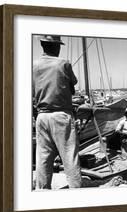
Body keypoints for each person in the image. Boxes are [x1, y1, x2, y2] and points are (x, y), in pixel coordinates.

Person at [33, 35, 82, 189]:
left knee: (43, 158)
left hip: (41, 116)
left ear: (42, 45)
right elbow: (73, 84)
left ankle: (42, 191)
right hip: (61, 116)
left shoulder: (33, 65)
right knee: (69, 157)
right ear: (56, 46)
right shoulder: (63, 63)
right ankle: (76, 193)